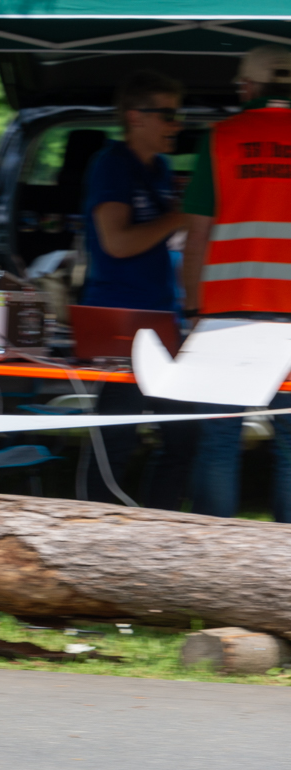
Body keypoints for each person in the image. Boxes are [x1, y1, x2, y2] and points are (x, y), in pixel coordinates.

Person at [182, 45, 291, 522]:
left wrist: (191, 309)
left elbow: (197, 238)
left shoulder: (221, 139)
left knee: (220, 440)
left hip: (227, 316)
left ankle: (211, 555)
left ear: (249, 87)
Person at [81, 69, 198, 509]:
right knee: (117, 438)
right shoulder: (112, 164)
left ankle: (158, 527)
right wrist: (180, 216)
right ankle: (91, 525)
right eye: (167, 115)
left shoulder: (160, 167)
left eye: (177, 115)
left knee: (183, 435)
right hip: (119, 319)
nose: (176, 125)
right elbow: (117, 242)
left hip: (160, 315)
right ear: (135, 116)